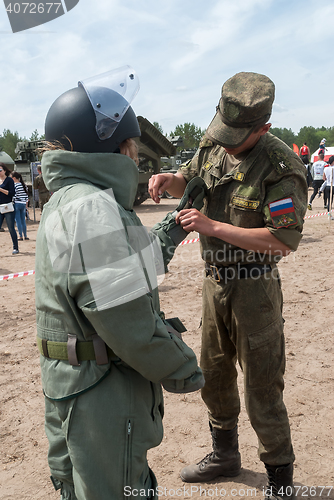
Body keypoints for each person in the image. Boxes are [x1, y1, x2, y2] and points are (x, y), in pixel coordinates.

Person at [35, 66, 204, 500]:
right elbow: (125, 317)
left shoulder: (70, 201)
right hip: (103, 393)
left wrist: (171, 230)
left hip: (78, 385)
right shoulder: (92, 209)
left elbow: (120, 273)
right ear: (111, 148)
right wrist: (184, 369)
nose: (135, 157)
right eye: (131, 148)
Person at [149, 72, 308, 500]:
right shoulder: (216, 138)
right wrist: (171, 180)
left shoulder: (281, 169)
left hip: (254, 288)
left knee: (262, 385)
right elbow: (194, 175)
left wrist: (212, 225)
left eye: (238, 136)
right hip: (214, 283)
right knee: (214, 375)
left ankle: (279, 480)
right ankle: (225, 454)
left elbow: (281, 240)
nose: (226, 142)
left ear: (263, 128)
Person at [0, 162, 19, 254]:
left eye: (0, 170)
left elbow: (12, 193)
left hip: (7, 206)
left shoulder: (9, 180)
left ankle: (15, 247)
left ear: (4, 170)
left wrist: (0, 189)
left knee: (11, 228)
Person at [11, 171, 29, 240]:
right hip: (23, 204)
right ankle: (25, 235)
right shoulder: (24, 185)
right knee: (23, 221)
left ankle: (20, 236)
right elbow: (27, 196)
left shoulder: (15, 185)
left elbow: (14, 196)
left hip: (17, 204)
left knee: (18, 221)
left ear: (14, 178)